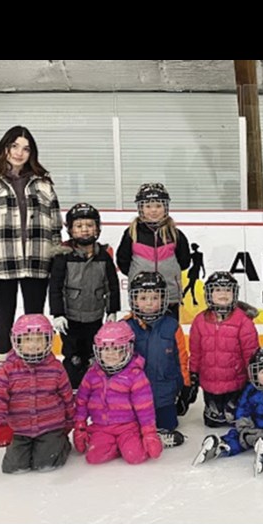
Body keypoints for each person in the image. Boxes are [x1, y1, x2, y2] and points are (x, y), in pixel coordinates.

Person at [0, 126, 63, 367]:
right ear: (5, 147)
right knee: (4, 320)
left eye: (26, 148)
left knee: (35, 320)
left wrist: (56, 259)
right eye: (15, 146)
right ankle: (4, 372)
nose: (20, 153)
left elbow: (54, 226)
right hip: (2, 263)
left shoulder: (43, 183)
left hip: (37, 262)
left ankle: (37, 370)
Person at [0, 314, 74, 474]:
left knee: (46, 465)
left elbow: (67, 397)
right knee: (15, 467)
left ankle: (62, 443)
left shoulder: (56, 368)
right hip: (19, 429)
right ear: (17, 342)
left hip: (50, 426)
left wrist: (69, 423)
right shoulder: (7, 369)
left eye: (39, 339)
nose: (34, 345)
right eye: (27, 339)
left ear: (48, 341)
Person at [192, 347, 263, 476]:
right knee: (237, 435)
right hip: (253, 427)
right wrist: (245, 424)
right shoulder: (251, 389)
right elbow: (243, 407)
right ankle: (222, 446)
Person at [49, 203, 120, 389]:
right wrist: (58, 314)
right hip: (70, 319)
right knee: (73, 357)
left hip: (94, 317)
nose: (85, 230)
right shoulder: (63, 257)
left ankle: (94, 389)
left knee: (93, 355)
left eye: (89, 225)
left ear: (97, 228)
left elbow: (111, 285)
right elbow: (55, 287)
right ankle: (72, 389)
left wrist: (112, 311)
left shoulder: (104, 256)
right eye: (79, 226)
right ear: (70, 229)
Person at [73, 321, 162, 465]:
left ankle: (130, 443)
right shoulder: (92, 374)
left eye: (117, 349)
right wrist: (80, 427)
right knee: (93, 458)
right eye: (105, 349)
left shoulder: (135, 375)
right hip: (101, 428)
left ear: (128, 350)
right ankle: (116, 446)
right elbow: (81, 401)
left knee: (135, 457)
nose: (111, 354)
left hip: (128, 428)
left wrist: (149, 433)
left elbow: (145, 408)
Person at [125, 271, 193, 447]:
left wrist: (185, 386)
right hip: (134, 397)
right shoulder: (125, 326)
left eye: (155, 298)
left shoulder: (171, 325)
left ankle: (156, 435)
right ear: (134, 299)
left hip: (164, 393)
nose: (149, 303)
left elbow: (182, 358)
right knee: (130, 425)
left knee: (169, 424)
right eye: (143, 298)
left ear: (163, 299)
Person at [189, 271, 259, 427]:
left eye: (228, 290)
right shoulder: (200, 320)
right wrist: (193, 375)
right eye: (218, 290)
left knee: (236, 420)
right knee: (213, 422)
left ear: (235, 293)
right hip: (209, 382)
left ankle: (233, 407)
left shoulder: (243, 321)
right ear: (209, 293)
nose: (223, 294)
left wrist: (253, 376)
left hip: (236, 382)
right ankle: (215, 409)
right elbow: (195, 352)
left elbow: (251, 352)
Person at [116, 183, 191, 320]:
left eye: (158, 206)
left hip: (170, 296)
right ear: (141, 208)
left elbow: (184, 261)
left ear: (166, 207)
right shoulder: (131, 233)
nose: (153, 210)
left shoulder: (175, 233)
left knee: (169, 334)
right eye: (148, 206)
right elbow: (123, 261)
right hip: (142, 297)